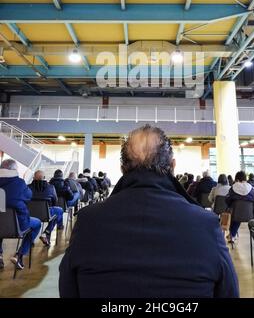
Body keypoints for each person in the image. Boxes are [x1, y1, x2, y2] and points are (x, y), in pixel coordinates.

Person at [59, 125, 239, 298]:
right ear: (173, 166)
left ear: (123, 169)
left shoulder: (88, 220)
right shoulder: (206, 224)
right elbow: (229, 292)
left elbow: (68, 288)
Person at [0, 159, 41, 270]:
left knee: (1, 222)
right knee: (37, 223)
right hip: (18, 224)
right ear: (14, 169)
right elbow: (29, 196)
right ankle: (20, 255)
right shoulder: (20, 183)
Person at [28, 170, 64, 246]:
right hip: (45, 214)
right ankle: (46, 232)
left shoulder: (27, 188)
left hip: (30, 214)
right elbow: (55, 201)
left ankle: (30, 239)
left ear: (33, 178)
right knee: (58, 211)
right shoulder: (51, 187)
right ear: (44, 178)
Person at [226, 171, 254, 243]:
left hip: (236, 215)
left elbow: (228, 200)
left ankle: (232, 235)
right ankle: (232, 235)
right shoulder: (252, 189)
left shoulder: (233, 188)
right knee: (237, 213)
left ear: (237, 179)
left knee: (233, 212)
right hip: (250, 215)